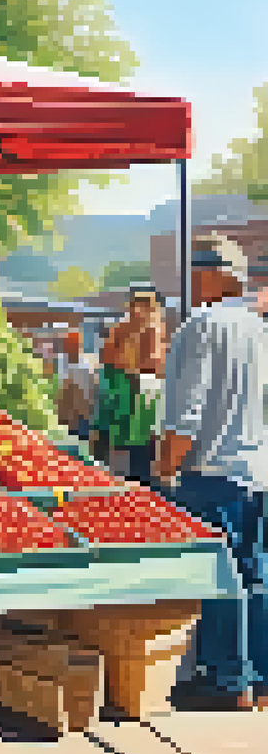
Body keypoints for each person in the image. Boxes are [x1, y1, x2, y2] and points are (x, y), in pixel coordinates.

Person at [154, 250, 268, 711]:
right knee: (255, 574)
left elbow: (185, 417)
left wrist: (164, 471)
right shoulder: (258, 328)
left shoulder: (201, 327)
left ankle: (227, 680)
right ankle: (259, 679)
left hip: (212, 471)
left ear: (208, 278)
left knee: (220, 577)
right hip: (256, 471)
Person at [94, 285, 169, 484]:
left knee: (127, 455)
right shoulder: (149, 327)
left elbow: (107, 360)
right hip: (137, 394)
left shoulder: (126, 328)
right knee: (139, 454)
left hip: (129, 394)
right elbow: (153, 362)